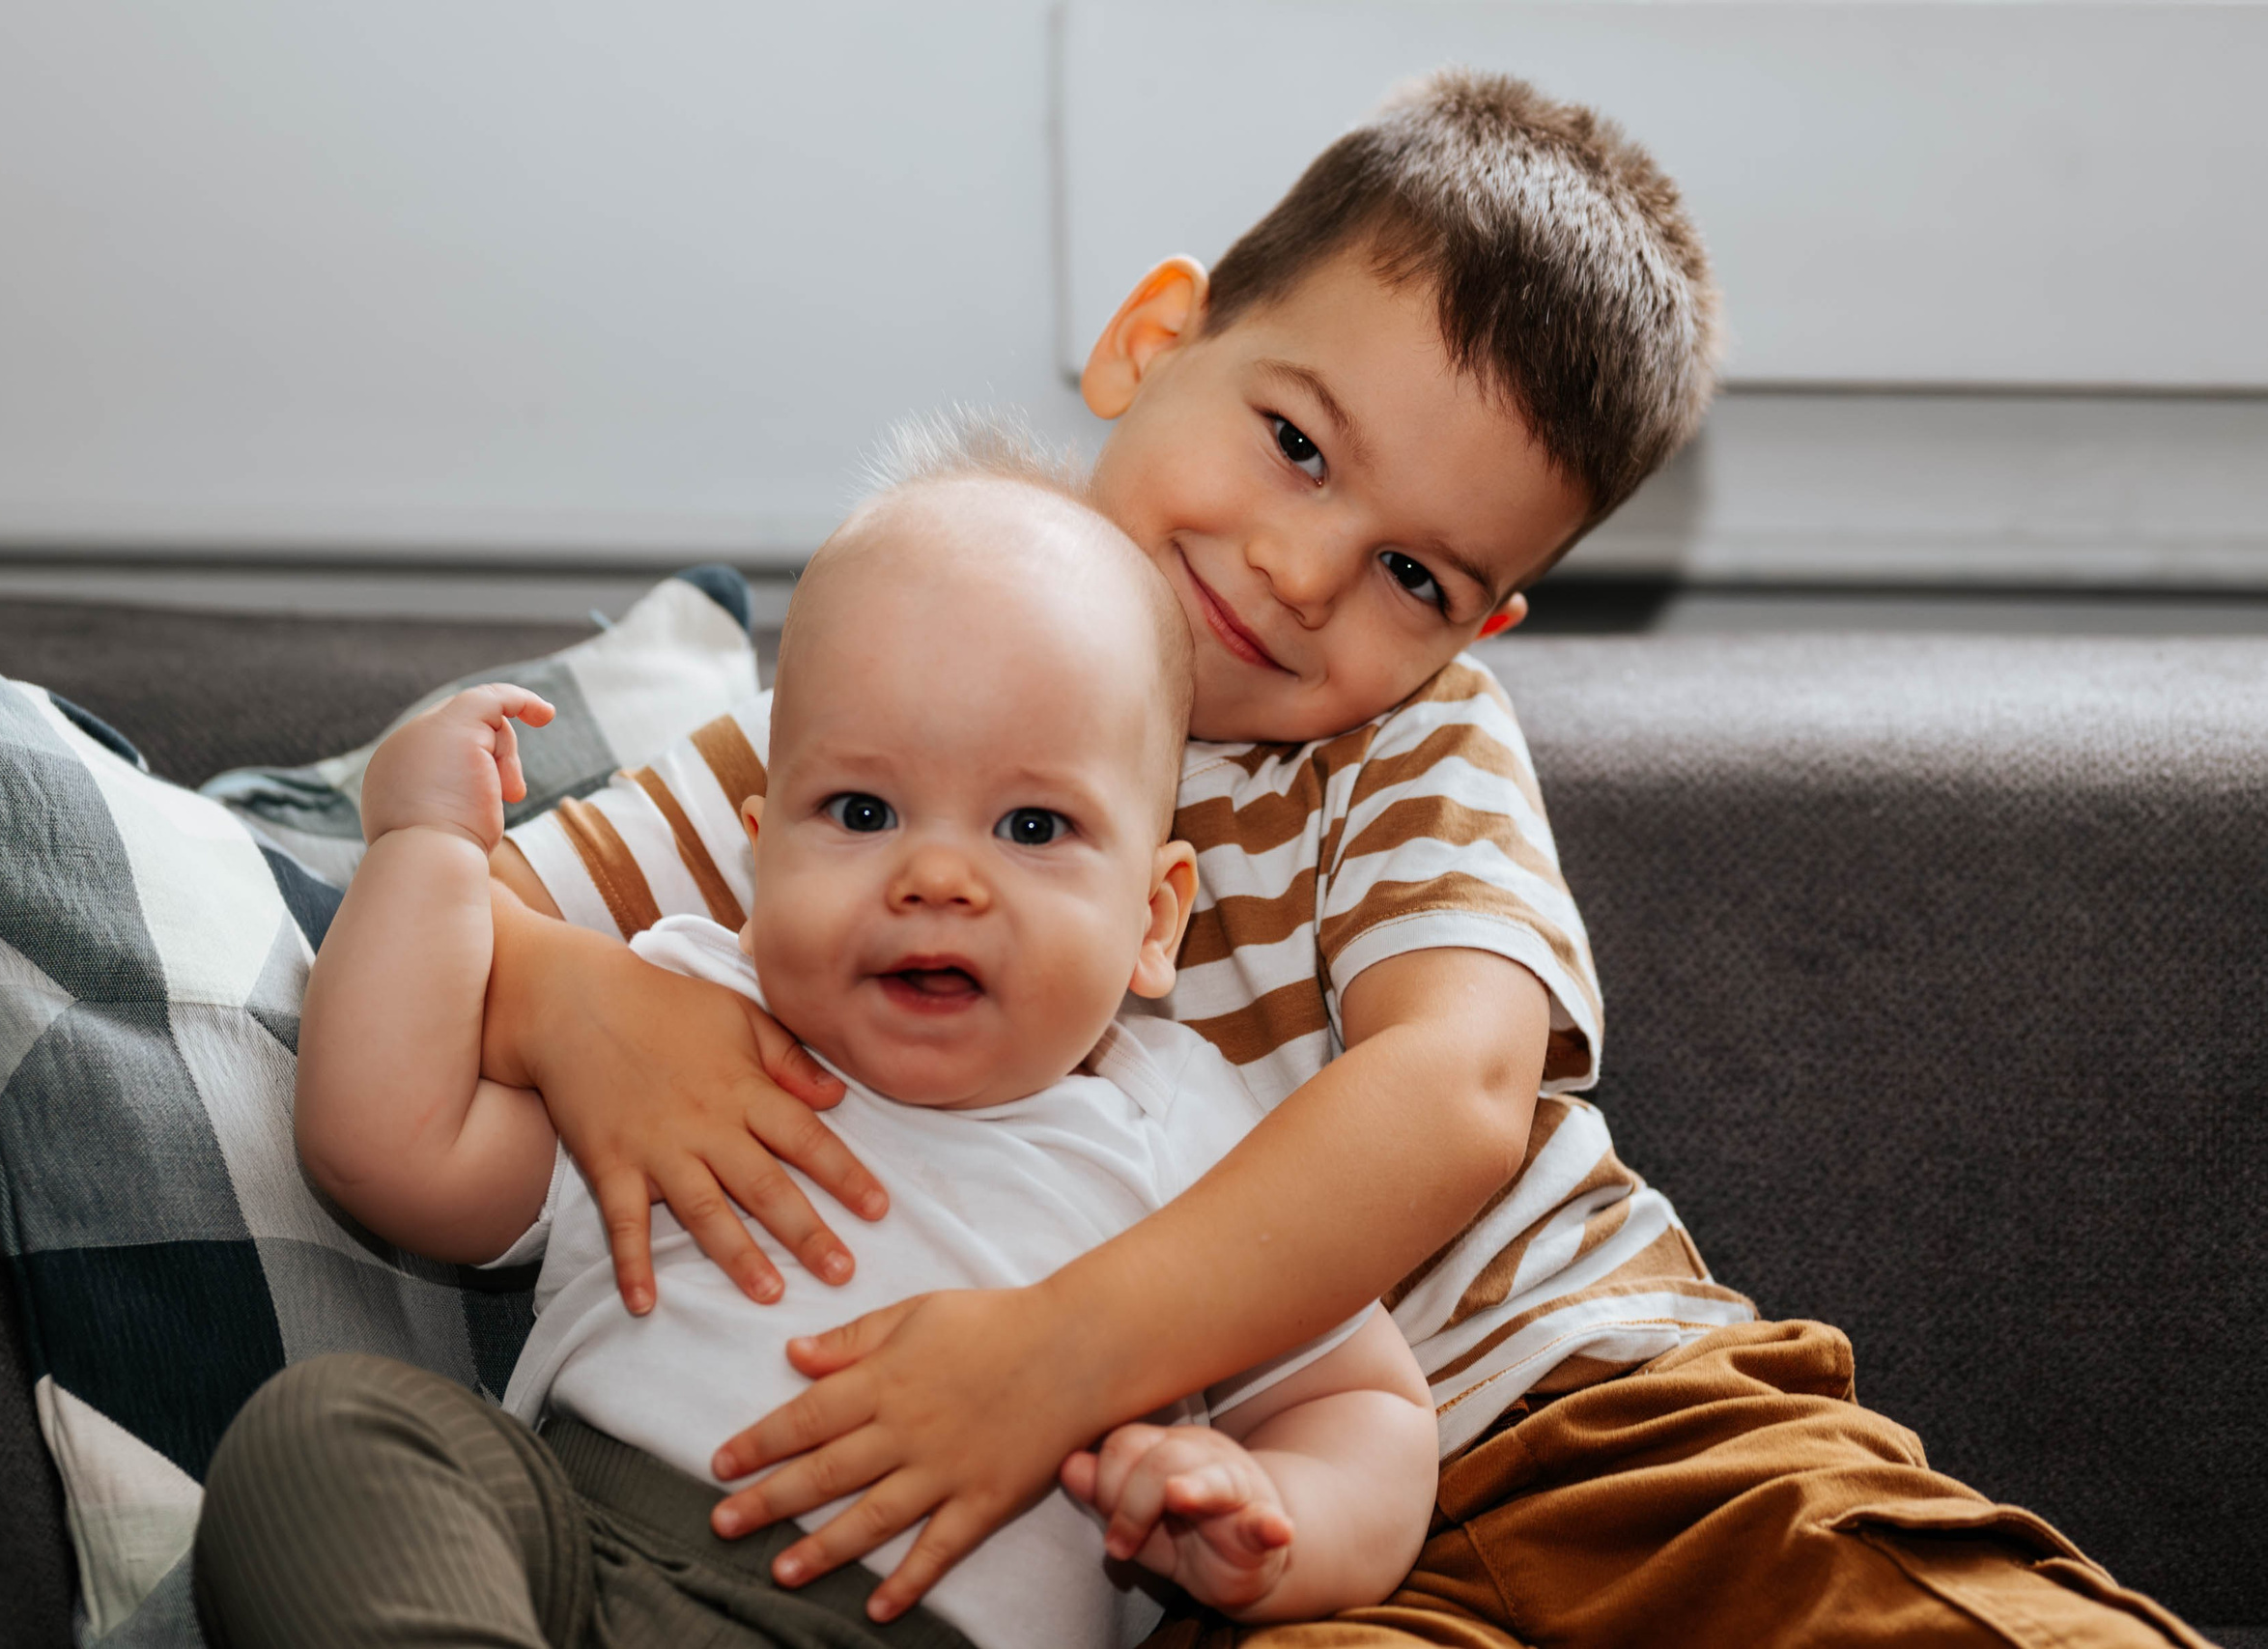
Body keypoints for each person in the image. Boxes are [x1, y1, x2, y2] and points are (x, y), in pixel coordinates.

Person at [472, 71, 2208, 1648]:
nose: (1304, 574)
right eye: (1297, 445)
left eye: (1415, 577)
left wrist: (1061, 1355)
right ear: (1152, 342)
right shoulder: (874, 718)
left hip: (1607, 1417)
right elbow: (442, 926)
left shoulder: (1402, 747)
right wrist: (568, 999)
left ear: (1479, 628)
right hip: (1237, 1547)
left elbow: (1456, 1090)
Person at [189, 469, 1442, 1649]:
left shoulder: (1180, 1130)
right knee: (326, 1434)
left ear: (1154, 920)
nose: (937, 876)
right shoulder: (676, 1028)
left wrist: (1265, 1513)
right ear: (759, 857)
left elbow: (1367, 1411)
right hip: (582, 1569)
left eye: (1033, 824)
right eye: (861, 812)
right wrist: (421, 846)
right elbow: (381, 1146)